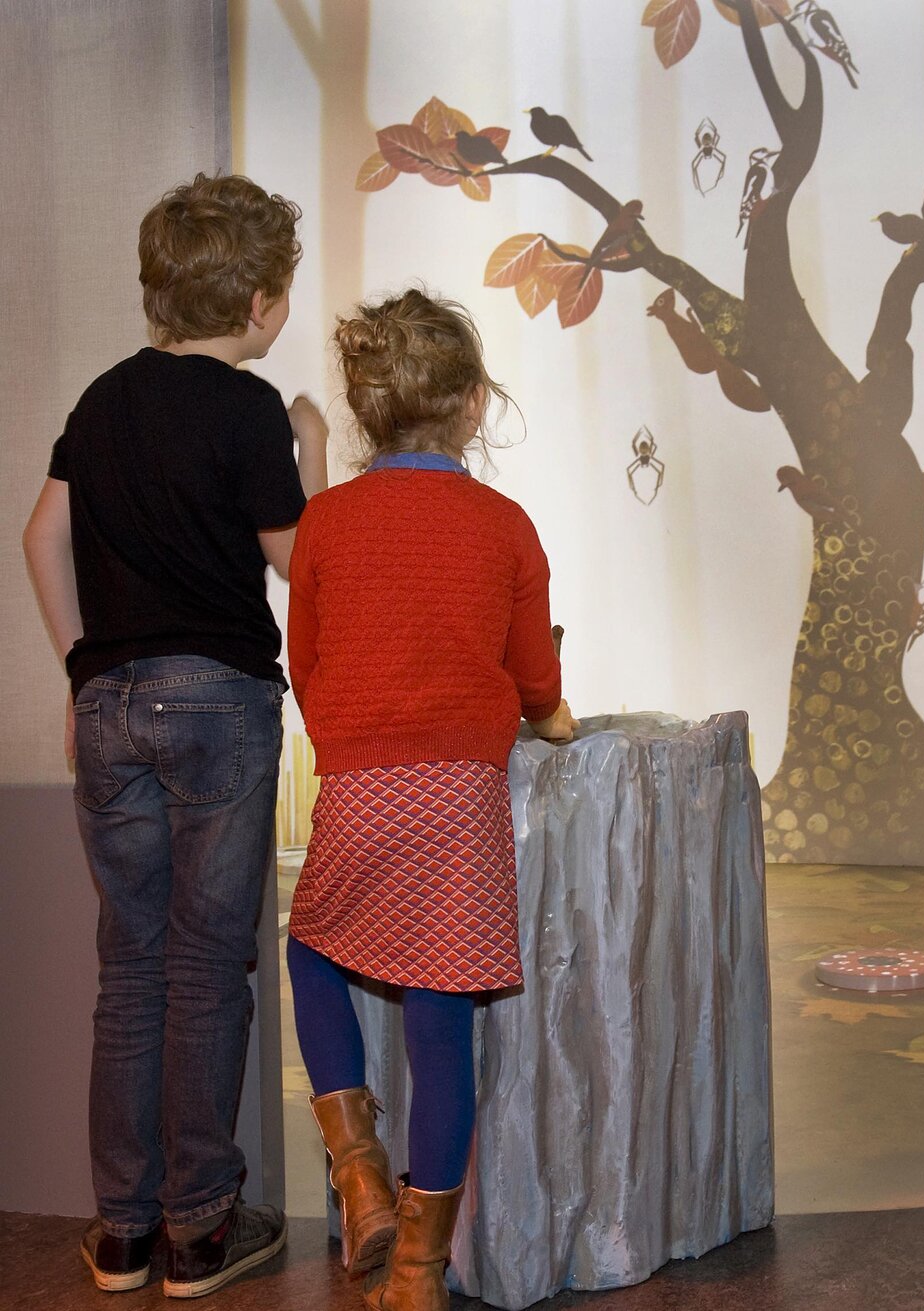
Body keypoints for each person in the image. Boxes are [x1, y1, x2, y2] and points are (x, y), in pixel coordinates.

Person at [21, 172, 329, 1298]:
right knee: (207, 968)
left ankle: (123, 1233)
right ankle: (200, 1224)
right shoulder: (250, 410)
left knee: (130, 968)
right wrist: (312, 447)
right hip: (218, 703)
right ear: (260, 304)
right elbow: (305, 565)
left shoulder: (102, 400)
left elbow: (41, 535)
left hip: (110, 707)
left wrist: (77, 668)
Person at [285, 288, 574, 1310]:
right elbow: (531, 669)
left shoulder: (325, 522)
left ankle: (357, 1169)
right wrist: (551, 717)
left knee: (311, 948)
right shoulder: (503, 524)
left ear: (367, 411)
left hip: (361, 784)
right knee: (441, 1025)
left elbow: (306, 664)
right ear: (473, 406)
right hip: (459, 795)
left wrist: (349, 742)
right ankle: (416, 1272)